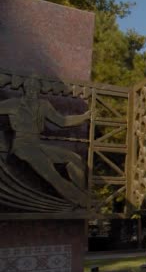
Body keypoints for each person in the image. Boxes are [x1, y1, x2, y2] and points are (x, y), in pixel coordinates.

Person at [0, 78, 90, 207]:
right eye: (29, 88)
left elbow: (62, 121)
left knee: (75, 158)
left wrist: (84, 117)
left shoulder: (44, 105)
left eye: (35, 88)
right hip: (22, 146)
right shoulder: (14, 104)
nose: (32, 91)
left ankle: (81, 195)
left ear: (38, 90)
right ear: (25, 89)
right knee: (50, 172)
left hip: (37, 144)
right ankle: (82, 201)